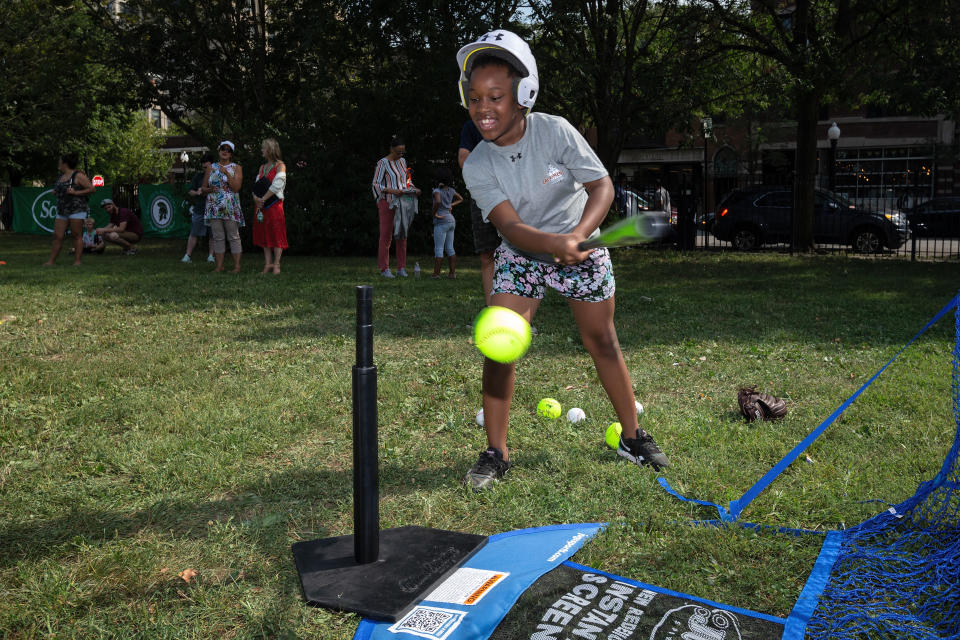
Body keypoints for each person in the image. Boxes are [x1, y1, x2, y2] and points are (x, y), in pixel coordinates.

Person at [457, 29, 670, 490]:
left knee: (602, 341)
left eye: (495, 96)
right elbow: (510, 229)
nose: (483, 108)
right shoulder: (477, 164)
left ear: (523, 95)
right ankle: (495, 452)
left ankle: (632, 437)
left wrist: (575, 236)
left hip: (583, 246)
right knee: (500, 343)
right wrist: (552, 246)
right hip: (522, 254)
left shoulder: (554, 131)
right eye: (474, 98)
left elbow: (602, 186)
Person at [458, 120, 499, 304]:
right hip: (482, 196)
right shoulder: (471, 126)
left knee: (517, 255)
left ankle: (519, 317)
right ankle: (493, 313)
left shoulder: (516, 123)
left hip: (514, 194)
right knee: (487, 255)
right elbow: (463, 159)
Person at [372, 136, 420, 278]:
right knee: (386, 236)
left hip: (402, 202)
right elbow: (375, 184)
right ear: (391, 149)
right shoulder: (382, 163)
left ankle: (401, 268)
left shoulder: (403, 162)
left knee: (402, 234)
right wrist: (392, 191)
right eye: (398, 152)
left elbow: (406, 180)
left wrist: (414, 188)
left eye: (402, 152)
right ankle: (384, 269)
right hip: (387, 202)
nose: (400, 155)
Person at [43, 153, 93, 266]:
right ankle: (51, 262)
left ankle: (77, 261)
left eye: (60, 161)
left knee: (76, 235)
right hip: (62, 210)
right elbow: (59, 189)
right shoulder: (61, 176)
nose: (58, 163)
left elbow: (91, 189)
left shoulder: (78, 176)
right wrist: (55, 192)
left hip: (77, 210)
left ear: (65, 163)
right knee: (57, 236)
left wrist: (76, 192)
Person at [202, 141, 244, 273]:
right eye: (222, 149)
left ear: (231, 154)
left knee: (233, 236)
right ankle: (219, 266)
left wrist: (226, 173)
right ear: (219, 150)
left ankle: (237, 267)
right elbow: (203, 188)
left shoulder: (236, 168)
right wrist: (208, 190)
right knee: (218, 237)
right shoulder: (211, 167)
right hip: (214, 206)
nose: (225, 151)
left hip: (230, 207)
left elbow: (236, 188)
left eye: (228, 150)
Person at [252, 138, 289, 274]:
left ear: (270, 150)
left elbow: (278, 185)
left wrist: (263, 199)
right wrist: (256, 198)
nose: (261, 150)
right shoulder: (262, 167)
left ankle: (276, 264)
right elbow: (256, 185)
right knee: (263, 233)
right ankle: (267, 264)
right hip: (261, 207)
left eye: (263, 148)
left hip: (274, 206)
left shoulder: (280, 165)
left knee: (276, 232)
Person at [181, 153, 215, 263]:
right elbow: (190, 191)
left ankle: (211, 256)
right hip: (200, 209)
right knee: (194, 232)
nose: (204, 166)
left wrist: (208, 191)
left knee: (213, 234)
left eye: (207, 163)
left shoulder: (217, 176)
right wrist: (197, 192)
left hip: (213, 209)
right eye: (203, 164)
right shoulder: (198, 176)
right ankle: (188, 255)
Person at [431, 168, 463, 278]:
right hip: (451, 221)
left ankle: (436, 274)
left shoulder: (436, 191)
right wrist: (451, 205)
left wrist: (434, 213)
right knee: (450, 248)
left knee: (439, 248)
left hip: (441, 221)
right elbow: (461, 199)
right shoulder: (451, 190)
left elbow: (438, 201)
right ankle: (452, 273)